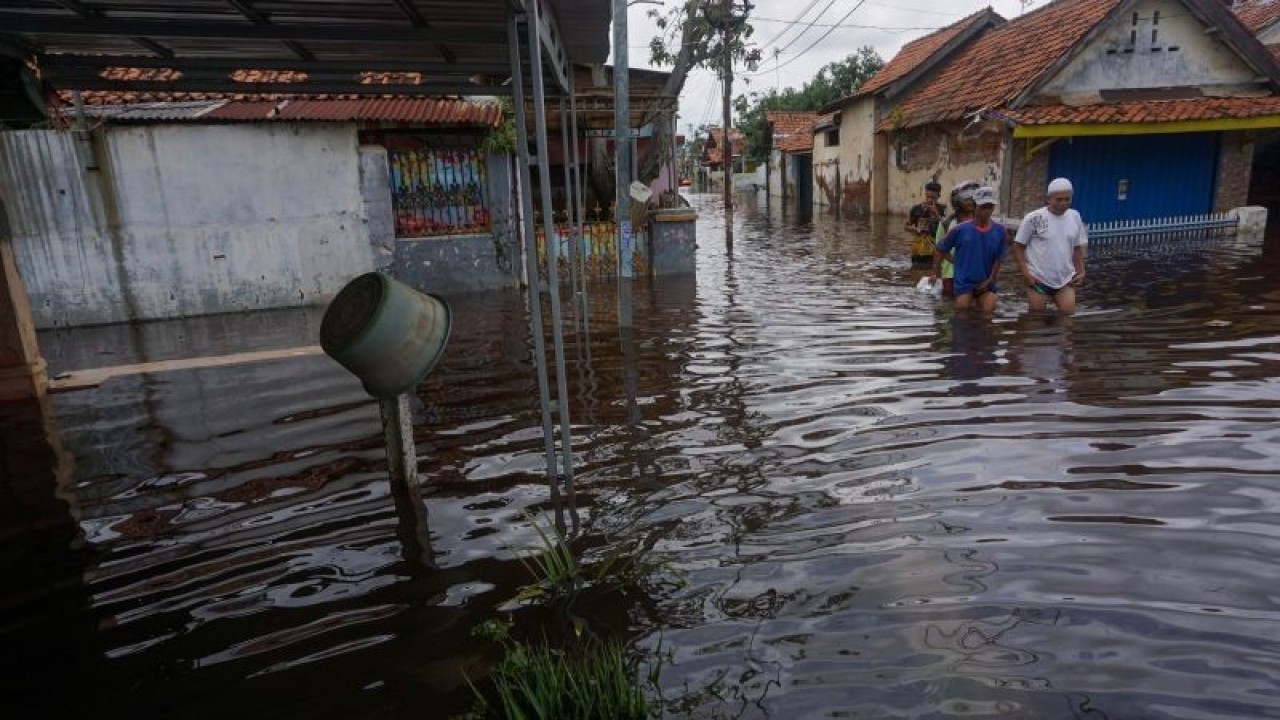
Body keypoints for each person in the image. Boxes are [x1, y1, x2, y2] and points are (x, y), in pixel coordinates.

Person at [1013, 177, 1088, 314]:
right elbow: (1018, 246)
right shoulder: (1034, 218)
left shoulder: (1075, 216)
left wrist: (1081, 270)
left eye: (1067, 199)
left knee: (1067, 319)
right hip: (1038, 279)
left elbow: (1077, 247)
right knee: (1036, 321)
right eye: (1059, 200)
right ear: (1048, 199)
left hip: (1065, 279)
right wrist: (1025, 273)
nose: (1064, 203)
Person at [930, 186, 1007, 313]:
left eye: (990, 207)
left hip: (986, 283)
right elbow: (940, 248)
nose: (987, 211)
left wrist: (990, 279)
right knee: (962, 313)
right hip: (964, 283)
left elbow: (999, 258)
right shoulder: (959, 229)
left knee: (988, 312)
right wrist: (952, 262)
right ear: (975, 206)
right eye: (983, 207)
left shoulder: (1000, 231)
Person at [933, 180, 980, 298]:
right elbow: (939, 249)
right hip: (951, 273)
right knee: (951, 305)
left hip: (975, 273)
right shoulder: (947, 223)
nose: (970, 202)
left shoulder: (982, 222)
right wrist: (935, 273)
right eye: (966, 198)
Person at [906, 180, 946, 263]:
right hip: (919, 248)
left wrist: (936, 214)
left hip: (936, 248)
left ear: (939, 196)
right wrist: (915, 229)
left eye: (933, 198)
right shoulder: (916, 209)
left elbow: (948, 227)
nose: (930, 200)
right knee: (916, 271)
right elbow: (906, 226)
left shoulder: (943, 209)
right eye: (927, 196)